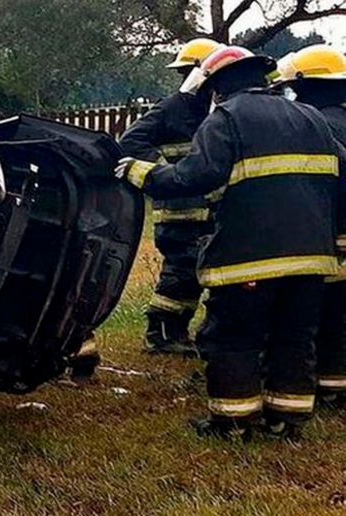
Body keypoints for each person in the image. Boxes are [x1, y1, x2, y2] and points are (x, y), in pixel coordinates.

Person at [117, 45, 346, 439]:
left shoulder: (226, 118)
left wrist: (143, 174)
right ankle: (286, 421)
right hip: (312, 260)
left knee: (234, 337)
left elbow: (194, 177)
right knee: (294, 338)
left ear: (217, 88)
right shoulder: (312, 117)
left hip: (247, 259)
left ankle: (234, 423)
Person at [119, 38, 221, 356]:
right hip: (180, 211)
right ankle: (160, 334)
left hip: (210, 211)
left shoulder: (216, 109)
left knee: (196, 273)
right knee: (180, 273)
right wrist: (167, 174)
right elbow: (129, 142)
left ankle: (174, 333)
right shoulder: (173, 108)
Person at [276, 45, 346, 402]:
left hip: (329, 237)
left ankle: (325, 386)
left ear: (310, 86)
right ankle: (336, 386)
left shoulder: (318, 126)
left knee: (325, 316)